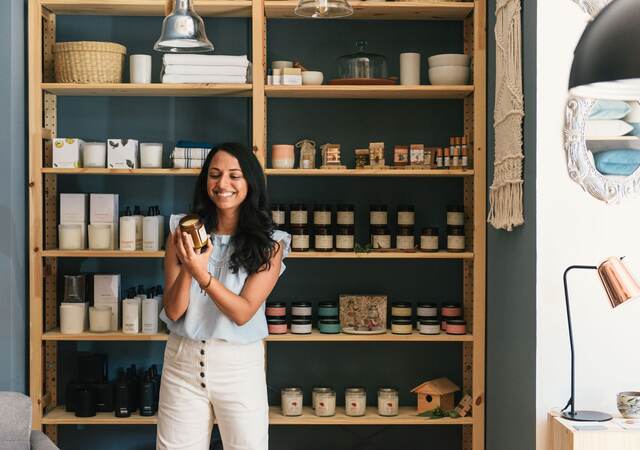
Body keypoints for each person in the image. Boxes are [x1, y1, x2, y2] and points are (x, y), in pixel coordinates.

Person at [156, 143, 291, 450]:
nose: (223, 184)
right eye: (215, 175)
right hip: (182, 363)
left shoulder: (271, 244)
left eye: (234, 176)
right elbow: (174, 311)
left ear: (250, 183)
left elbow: (242, 312)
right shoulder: (182, 232)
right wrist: (190, 267)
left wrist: (201, 273)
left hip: (239, 367)